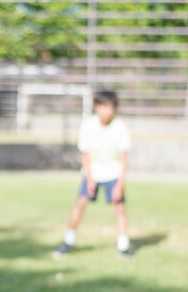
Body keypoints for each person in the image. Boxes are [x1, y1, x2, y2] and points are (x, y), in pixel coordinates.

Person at [54, 90, 132, 258]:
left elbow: (124, 158)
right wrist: (89, 178)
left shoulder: (120, 127)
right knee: (80, 205)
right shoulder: (88, 125)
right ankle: (68, 241)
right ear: (96, 107)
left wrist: (120, 184)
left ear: (115, 109)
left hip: (113, 174)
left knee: (120, 208)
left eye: (109, 107)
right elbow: (85, 154)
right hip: (93, 173)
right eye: (101, 107)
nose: (105, 111)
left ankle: (123, 245)